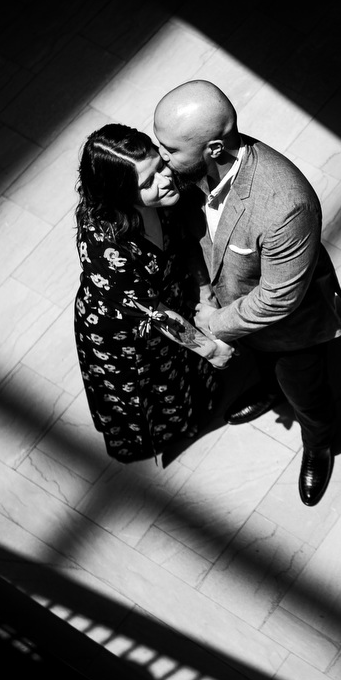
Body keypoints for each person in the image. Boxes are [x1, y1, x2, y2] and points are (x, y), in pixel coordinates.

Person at [152, 80, 341, 506]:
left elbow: (279, 298)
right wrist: (206, 295)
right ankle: (270, 388)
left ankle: (319, 444)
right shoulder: (191, 169)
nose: (159, 158)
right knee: (265, 363)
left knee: (307, 393)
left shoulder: (285, 203)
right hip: (235, 309)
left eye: (169, 150)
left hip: (292, 326)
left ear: (215, 149)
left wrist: (213, 323)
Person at [72, 123, 234, 464]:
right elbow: (155, 313)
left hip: (169, 300)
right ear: (119, 196)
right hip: (125, 334)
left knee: (183, 370)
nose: (164, 180)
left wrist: (204, 292)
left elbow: (186, 242)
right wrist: (210, 349)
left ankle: (197, 409)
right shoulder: (104, 246)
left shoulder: (169, 195)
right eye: (147, 183)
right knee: (149, 390)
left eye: (159, 166)